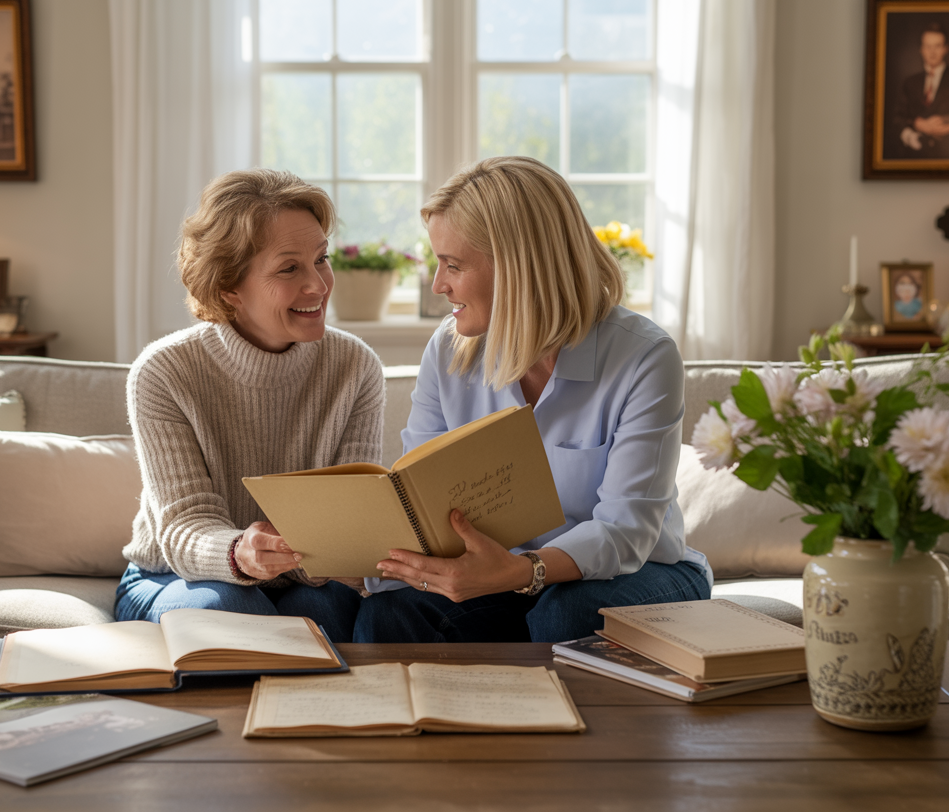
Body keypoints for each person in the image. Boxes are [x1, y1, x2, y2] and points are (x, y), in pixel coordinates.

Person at [353, 156, 712, 644]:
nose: (438, 285)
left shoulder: (643, 356)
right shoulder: (448, 348)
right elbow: (419, 498)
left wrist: (523, 572)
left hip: (641, 569)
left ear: (517, 267)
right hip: (497, 575)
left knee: (564, 614)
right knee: (391, 613)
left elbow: (627, 531)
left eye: (453, 265)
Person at [115, 170, 385, 642]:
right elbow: (184, 529)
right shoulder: (163, 372)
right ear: (227, 288)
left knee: (324, 614)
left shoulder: (355, 366)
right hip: (177, 578)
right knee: (232, 606)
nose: (318, 285)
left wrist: (336, 552)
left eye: (321, 259)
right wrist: (241, 551)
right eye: (289, 269)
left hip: (307, 579)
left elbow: (347, 522)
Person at [892, 22, 949, 160]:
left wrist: (945, 121)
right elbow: (898, 118)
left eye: (937, 46)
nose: (932, 52)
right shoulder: (909, 82)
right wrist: (917, 124)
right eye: (928, 46)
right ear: (921, 49)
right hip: (914, 157)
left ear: (946, 48)